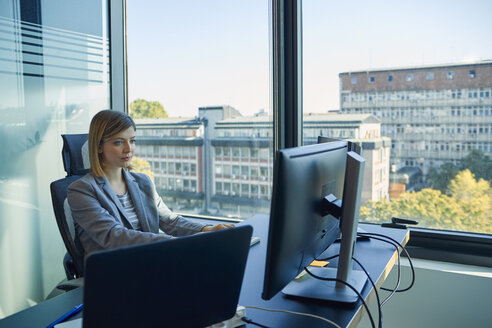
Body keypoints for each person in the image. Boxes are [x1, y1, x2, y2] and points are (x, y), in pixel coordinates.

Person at [67, 110, 234, 256]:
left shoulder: (142, 181)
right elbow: (114, 237)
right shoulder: (81, 191)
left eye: (132, 140)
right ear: (99, 146)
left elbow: (169, 220)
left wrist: (206, 230)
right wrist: (176, 243)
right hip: (113, 273)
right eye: (118, 142)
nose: (128, 149)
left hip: (149, 262)